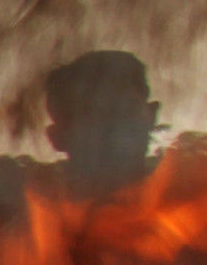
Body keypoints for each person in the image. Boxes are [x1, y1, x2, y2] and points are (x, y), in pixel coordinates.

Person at [43, 49, 158, 195]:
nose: (115, 134)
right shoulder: (31, 209)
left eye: (126, 112)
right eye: (94, 116)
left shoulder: (187, 195)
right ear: (58, 137)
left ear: (152, 116)